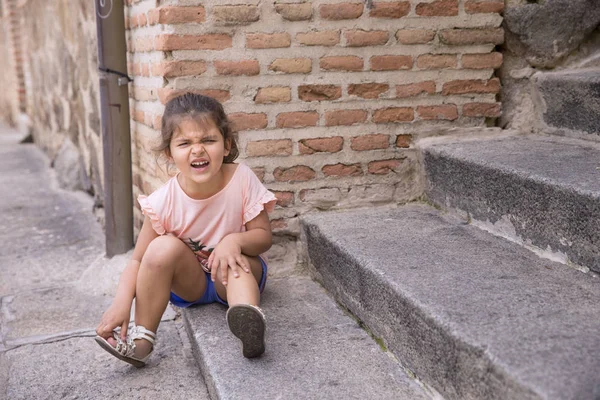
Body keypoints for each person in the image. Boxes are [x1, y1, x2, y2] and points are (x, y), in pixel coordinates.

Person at [95, 93, 276, 366]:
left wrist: (235, 241)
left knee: (235, 264)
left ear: (226, 145)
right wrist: (121, 303)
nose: (198, 150)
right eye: (184, 143)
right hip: (189, 283)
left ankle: (247, 321)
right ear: (170, 153)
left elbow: (264, 237)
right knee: (160, 247)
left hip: (235, 277)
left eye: (208, 140)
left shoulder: (241, 179)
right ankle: (142, 341)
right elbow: (138, 260)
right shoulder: (163, 201)